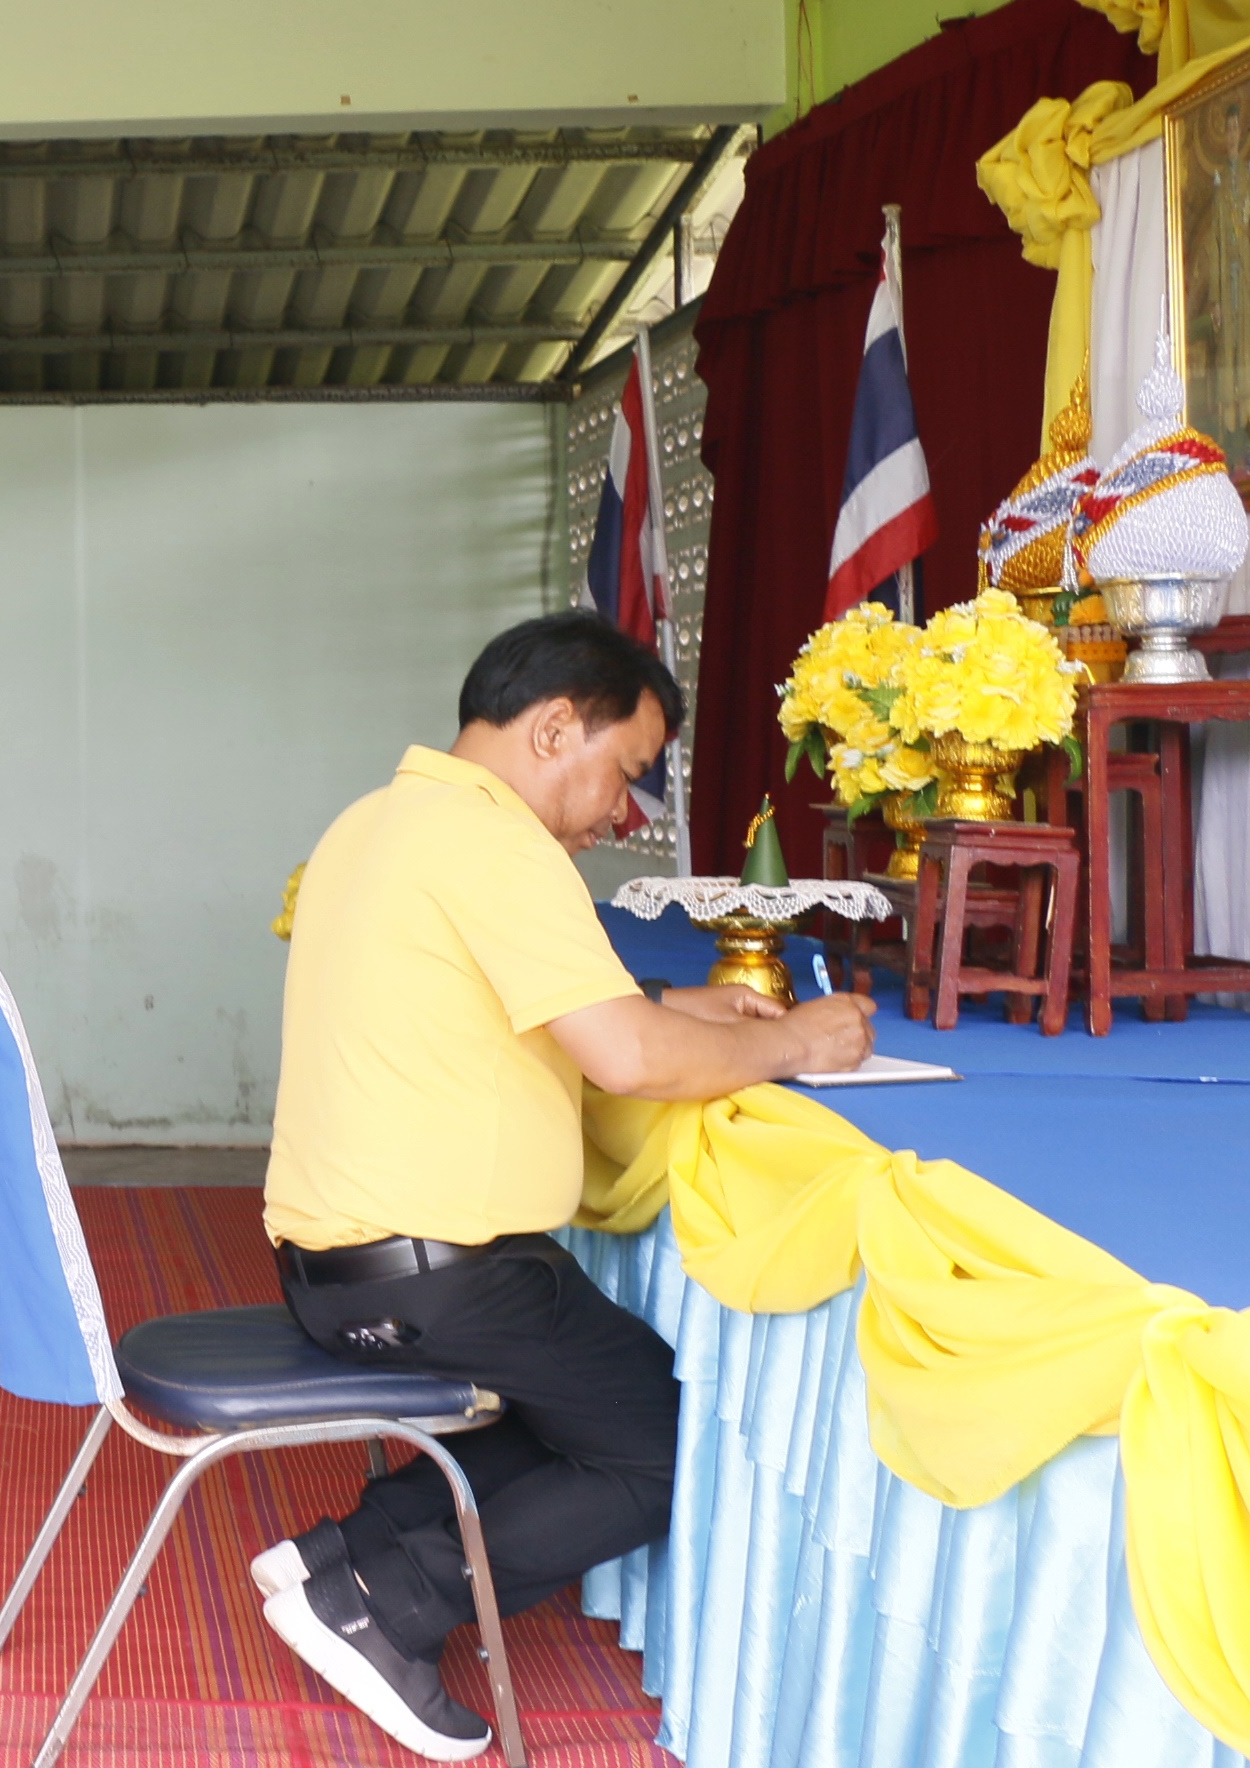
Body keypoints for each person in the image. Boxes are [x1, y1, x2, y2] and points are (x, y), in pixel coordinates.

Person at [253, 613, 876, 1761]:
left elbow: (508, 989)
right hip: (433, 1274)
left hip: (338, 1263)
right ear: (552, 729)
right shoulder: (497, 843)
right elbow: (626, 1059)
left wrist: (673, 1005)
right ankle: (381, 1601)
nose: (624, 813)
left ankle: (343, 1552)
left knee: (594, 1391)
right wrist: (798, 1042)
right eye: (625, 772)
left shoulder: (382, 818)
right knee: (658, 1443)